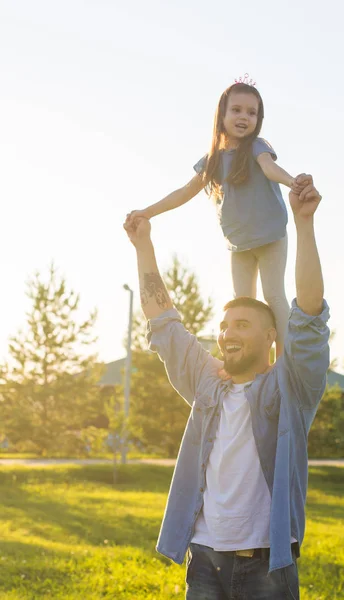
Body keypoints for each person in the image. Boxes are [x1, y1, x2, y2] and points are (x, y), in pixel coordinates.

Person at [123, 174, 329, 599]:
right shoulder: (207, 384)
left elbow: (309, 316)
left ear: (272, 336)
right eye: (222, 325)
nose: (225, 333)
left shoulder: (290, 388)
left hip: (268, 564)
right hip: (204, 561)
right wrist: (144, 246)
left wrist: (304, 224)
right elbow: (163, 322)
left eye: (241, 324)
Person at [128, 76, 311, 357]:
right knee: (242, 303)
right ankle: (250, 362)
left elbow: (270, 168)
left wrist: (292, 182)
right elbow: (184, 192)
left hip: (271, 235)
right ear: (222, 115)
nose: (244, 117)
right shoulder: (213, 159)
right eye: (236, 110)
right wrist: (147, 212)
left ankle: (285, 363)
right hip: (239, 243)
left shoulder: (257, 147)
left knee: (274, 297)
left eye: (252, 113)